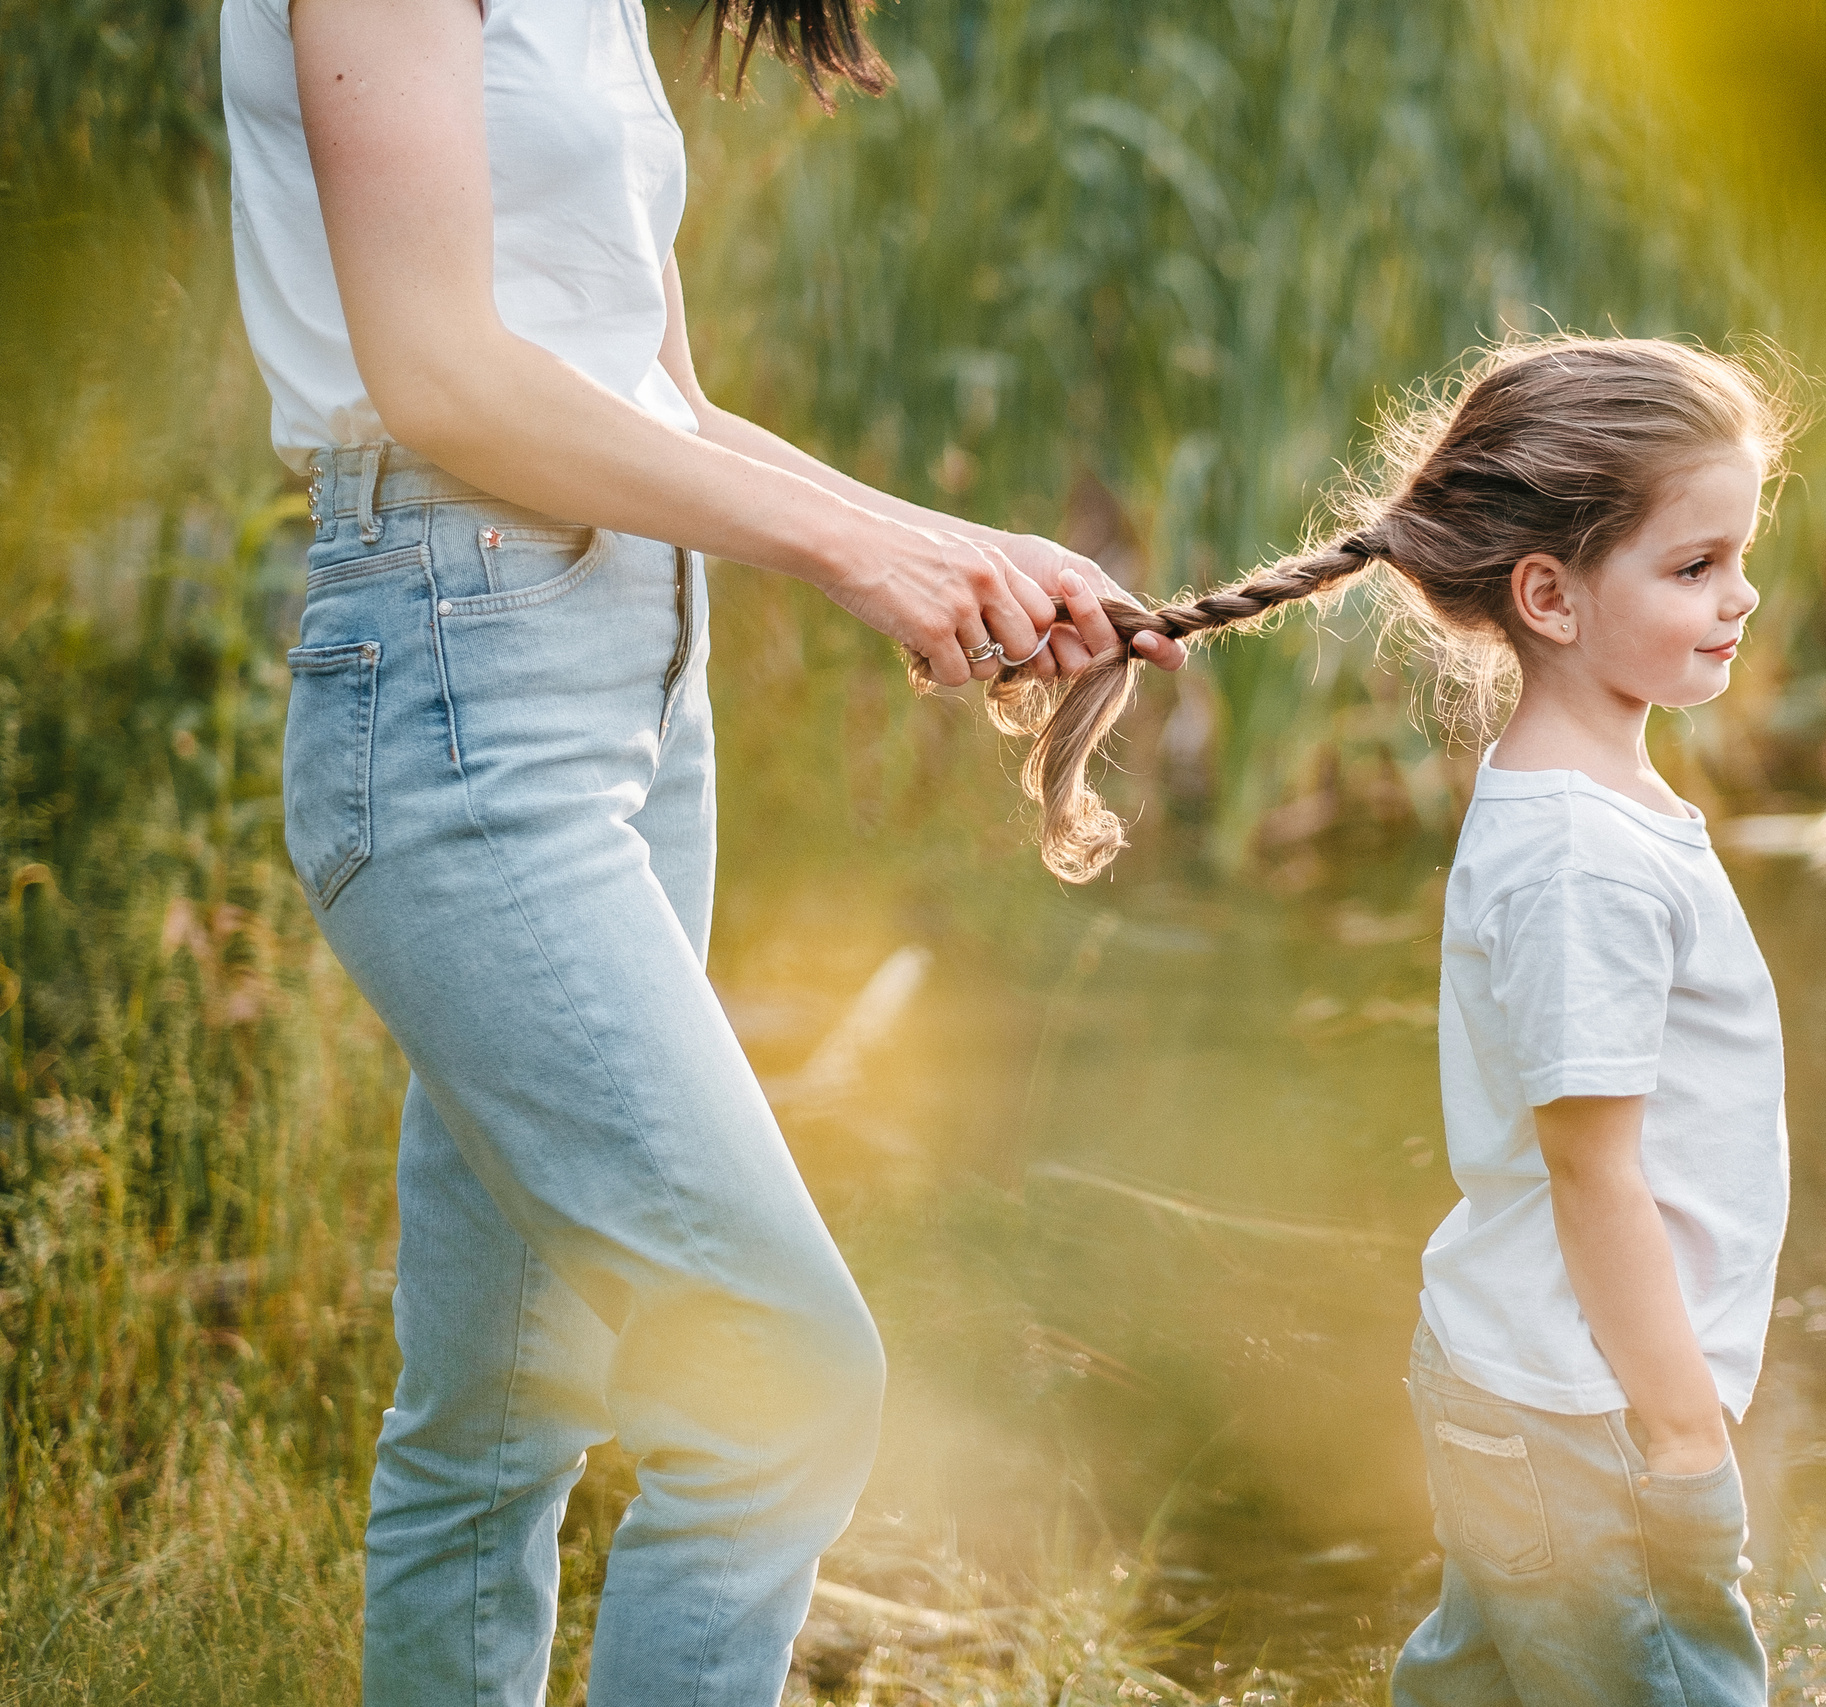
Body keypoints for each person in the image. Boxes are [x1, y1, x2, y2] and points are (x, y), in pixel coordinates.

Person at [217, 1, 1181, 1701]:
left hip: (635, 685)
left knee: (497, 1414)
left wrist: (961, 547)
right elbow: (442, 376)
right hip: (461, 680)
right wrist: (854, 563)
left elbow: (661, 405)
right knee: (784, 1385)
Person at [1004, 336, 1793, 1704]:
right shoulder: (1581, 862)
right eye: (1695, 567)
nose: (1744, 595)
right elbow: (1591, 1170)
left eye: (1738, 555)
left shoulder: (1581, 804)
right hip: (1588, 1418)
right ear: (1548, 594)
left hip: (1517, 1379)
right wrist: (1678, 1440)